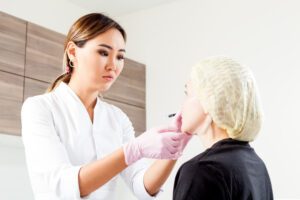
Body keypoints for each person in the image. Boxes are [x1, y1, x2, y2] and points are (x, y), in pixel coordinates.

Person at [21, 13, 190, 200]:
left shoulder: (117, 118)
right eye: (103, 52)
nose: (113, 65)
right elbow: (65, 185)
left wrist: (178, 141)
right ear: (72, 52)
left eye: (120, 57)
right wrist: (133, 149)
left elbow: (142, 186)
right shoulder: (39, 108)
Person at [173, 56, 273, 200]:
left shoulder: (201, 170)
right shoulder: (256, 165)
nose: (182, 106)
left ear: (210, 100)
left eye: (187, 94)